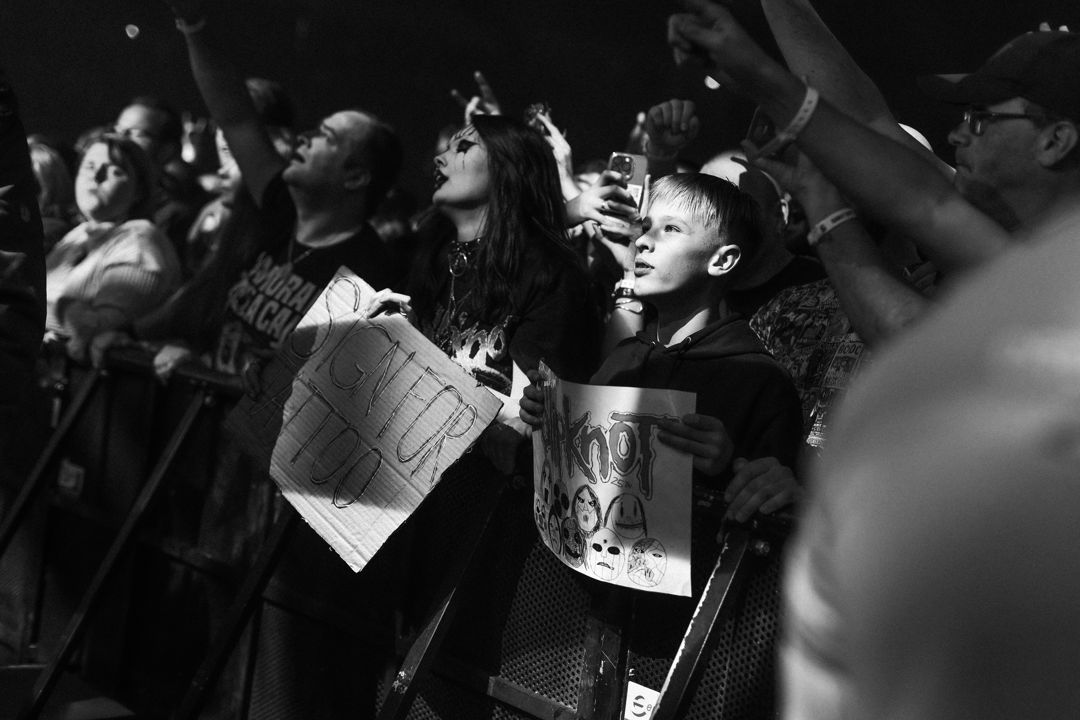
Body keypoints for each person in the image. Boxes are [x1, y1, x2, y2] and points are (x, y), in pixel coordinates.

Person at [45, 134, 181, 361]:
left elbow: (97, 328)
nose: (96, 177)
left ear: (139, 190)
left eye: (114, 171)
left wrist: (24, 310)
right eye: (89, 166)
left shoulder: (141, 243)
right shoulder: (79, 234)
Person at [114, 95, 207, 261]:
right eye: (117, 131)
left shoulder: (175, 216)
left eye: (135, 133)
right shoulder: (96, 197)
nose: (119, 140)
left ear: (166, 150)